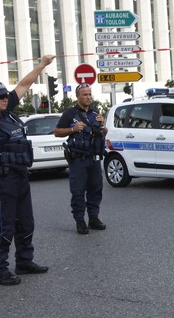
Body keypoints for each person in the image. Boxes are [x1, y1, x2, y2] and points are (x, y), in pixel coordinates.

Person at [0, 54, 55, 286]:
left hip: (20, 176)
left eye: (4, 95)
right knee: (4, 226)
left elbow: (24, 84)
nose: (4, 99)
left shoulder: (7, 110)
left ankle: (24, 261)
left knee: (26, 223)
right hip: (2, 180)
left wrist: (42, 65)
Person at [55, 84, 108, 235]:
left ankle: (93, 218)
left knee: (95, 189)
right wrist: (72, 129)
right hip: (78, 159)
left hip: (95, 158)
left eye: (89, 94)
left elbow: (103, 133)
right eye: (84, 94)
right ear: (78, 96)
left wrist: (103, 126)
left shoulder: (95, 113)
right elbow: (57, 132)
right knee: (78, 191)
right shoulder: (70, 114)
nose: (88, 97)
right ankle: (80, 221)